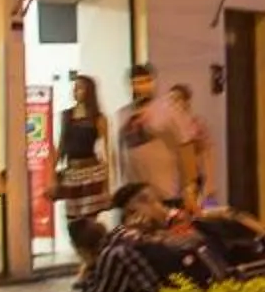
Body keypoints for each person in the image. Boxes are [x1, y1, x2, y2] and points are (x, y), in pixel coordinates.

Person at [54, 73, 112, 272]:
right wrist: (53, 173)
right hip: (72, 171)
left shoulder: (98, 118)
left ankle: (89, 263)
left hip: (92, 170)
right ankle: (86, 258)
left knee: (89, 220)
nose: (76, 91)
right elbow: (61, 145)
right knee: (72, 220)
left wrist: (108, 180)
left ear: (89, 91)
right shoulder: (67, 115)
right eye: (75, 87)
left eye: (80, 87)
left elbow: (106, 149)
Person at [116, 62, 185, 205]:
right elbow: (121, 151)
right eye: (135, 83)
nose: (140, 87)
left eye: (145, 82)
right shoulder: (123, 114)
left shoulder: (169, 108)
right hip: (135, 189)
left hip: (165, 188)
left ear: (152, 82)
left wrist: (190, 186)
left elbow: (186, 145)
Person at [167, 81, 215, 213]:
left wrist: (209, 185)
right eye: (170, 99)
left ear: (186, 101)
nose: (173, 103)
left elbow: (206, 153)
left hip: (193, 178)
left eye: (177, 99)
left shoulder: (196, 125)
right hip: (173, 181)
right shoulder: (166, 127)